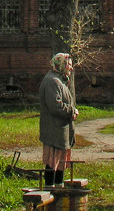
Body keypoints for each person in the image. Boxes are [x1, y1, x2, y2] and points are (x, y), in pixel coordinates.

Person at [38, 52, 78, 187]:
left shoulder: (59, 80)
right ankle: (50, 192)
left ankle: (58, 191)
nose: (71, 68)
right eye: (69, 65)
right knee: (52, 162)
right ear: (62, 65)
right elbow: (56, 106)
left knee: (60, 163)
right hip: (53, 131)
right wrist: (72, 111)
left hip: (59, 131)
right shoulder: (52, 81)